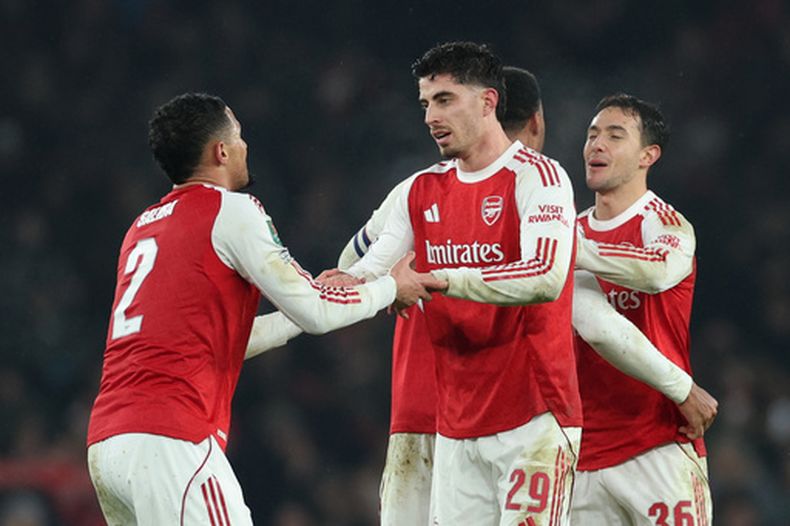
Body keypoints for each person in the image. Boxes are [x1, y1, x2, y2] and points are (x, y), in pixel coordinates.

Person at [85, 93, 445, 525]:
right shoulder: (232, 211)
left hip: (108, 443)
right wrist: (391, 287)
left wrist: (301, 309)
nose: (244, 146)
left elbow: (218, 340)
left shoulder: (142, 227)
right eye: (238, 136)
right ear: (220, 151)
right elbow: (317, 313)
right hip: (171, 440)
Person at [337, 42, 581, 526]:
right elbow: (373, 266)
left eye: (445, 99)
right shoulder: (420, 189)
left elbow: (546, 276)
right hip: (455, 425)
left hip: (533, 417)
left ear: (489, 102)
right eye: (425, 103)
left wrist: (446, 279)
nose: (430, 116)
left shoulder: (540, 177)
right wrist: (337, 286)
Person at [571, 94, 715, 524]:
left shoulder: (667, 225)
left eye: (615, 136)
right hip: (581, 452)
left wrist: (568, 251)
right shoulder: (570, 231)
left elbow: (654, 274)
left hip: (659, 442)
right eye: (593, 134)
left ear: (648, 156)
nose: (597, 144)